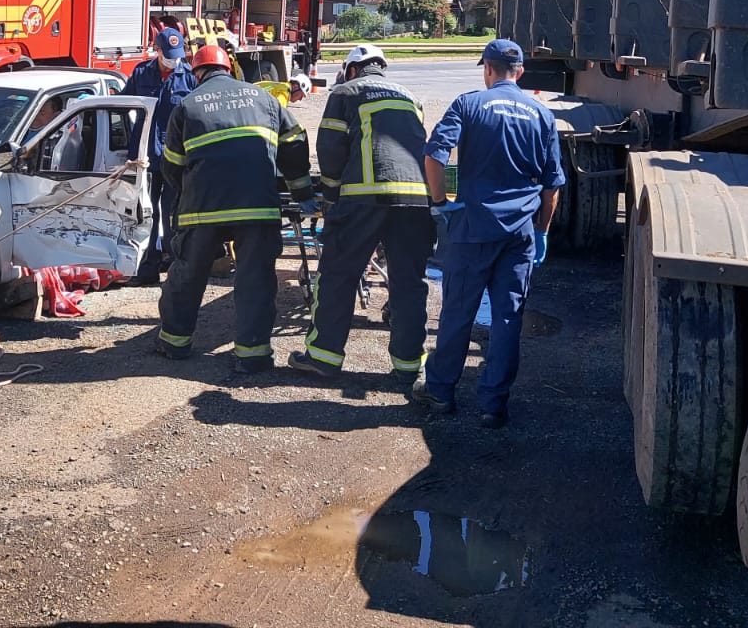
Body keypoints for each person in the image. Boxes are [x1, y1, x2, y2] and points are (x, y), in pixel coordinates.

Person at [413, 39, 565, 428]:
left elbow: (434, 155)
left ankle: (441, 394)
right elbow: (552, 185)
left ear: (487, 69)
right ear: (520, 72)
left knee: (457, 315)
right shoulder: (542, 114)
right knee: (508, 318)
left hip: (473, 228)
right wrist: (542, 232)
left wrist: (438, 202)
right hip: (519, 233)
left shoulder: (468, 104)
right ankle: (493, 406)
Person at [156, 45, 317, 373]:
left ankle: (174, 343)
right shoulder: (265, 99)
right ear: (229, 68)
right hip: (256, 207)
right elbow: (295, 142)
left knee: (187, 275)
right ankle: (253, 354)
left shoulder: (187, 105)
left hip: (203, 209)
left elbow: (171, 165)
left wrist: (188, 194)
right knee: (255, 278)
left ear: (198, 73)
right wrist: (301, 191)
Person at [288, 44, 435, 383]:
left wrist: (331, 192)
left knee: (338, 275)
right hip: (415, 200)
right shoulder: (411, 97)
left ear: (352, 69)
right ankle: (408, 365)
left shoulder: (346, 91)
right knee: (409, 283)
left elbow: (329, 146)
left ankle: (323, 357)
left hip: (363, 198)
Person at [121, 27, 199, 283]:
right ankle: (148, 267)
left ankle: (177, 268)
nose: (174, 59)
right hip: (145, 158)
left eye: (177, 54)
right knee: (146, 214)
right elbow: (123, 106)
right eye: (168, 54)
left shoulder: (188, 78)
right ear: (157, 50)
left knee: (174, 213)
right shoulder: (142, 73)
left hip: (177, 160)